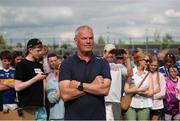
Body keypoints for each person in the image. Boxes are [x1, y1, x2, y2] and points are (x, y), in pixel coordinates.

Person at [59, 25, 111, 120]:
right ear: (76, 41)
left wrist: (79, 85)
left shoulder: (102, 62)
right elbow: (65, 95)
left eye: (90, 38)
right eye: (84, 38)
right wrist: (93, 86)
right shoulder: (67, 64)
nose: (88, 41)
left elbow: (104, 90)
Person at [14, 38, 47, 120]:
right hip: (28, 107)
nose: (40, 53)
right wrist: (35, 78)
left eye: (41, 50)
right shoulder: (21, 65)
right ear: (30, 49)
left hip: (40, 106)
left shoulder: (39, 65)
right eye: (38, 50)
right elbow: (17, 87)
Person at [124, 52, 153, 120]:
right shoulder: (131, 72)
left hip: (145, 104)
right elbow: (126, 89)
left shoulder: (149, 74)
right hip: (130, 104)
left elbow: (151, 92)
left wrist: (137, 91)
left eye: (148, 61)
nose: (147, 63)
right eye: (146, 60)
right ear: (139, 61)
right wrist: (141, 90)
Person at [0, 50, 18, 119]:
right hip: (2, 103)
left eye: (9, 61)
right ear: (1, 60)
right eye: (5, 61)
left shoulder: (15, 71)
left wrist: (3, 83)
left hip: (14, 103)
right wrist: (11, 84)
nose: (7, 63)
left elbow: (16, 86)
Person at [46, 53, 64, 120]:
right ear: (56, 71)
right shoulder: (50, 81)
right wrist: (63, 87)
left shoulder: (70, 81)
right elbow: (51, 99)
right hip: (56, 117)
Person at [148, 55, 166, 121]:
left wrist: (150, 96)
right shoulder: (145, 74)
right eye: (151, 65)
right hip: (146, 104)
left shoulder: (160, 76)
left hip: (157, 105)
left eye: (155, 66)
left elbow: (162, 93)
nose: (153, 67)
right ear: (148, 64)